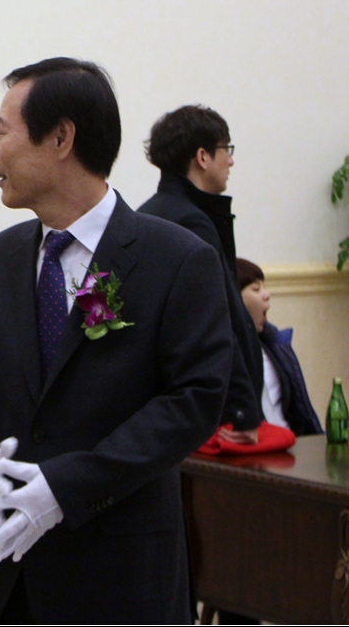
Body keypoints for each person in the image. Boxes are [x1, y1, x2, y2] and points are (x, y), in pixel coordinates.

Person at [0, 58, 231, 623]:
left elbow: (192, 401)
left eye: (2, 131)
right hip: (10, 578)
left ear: (61, 138)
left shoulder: (176, 259)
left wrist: (64, 487)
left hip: (121, 576)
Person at [138, 104, 264, 444]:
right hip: (203, 413)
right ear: (203, 157)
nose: (231, 161)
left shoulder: (148, 214)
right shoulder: (192, 222)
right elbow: (219, 318)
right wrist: (242, 410)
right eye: (226, 149)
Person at [237, 258, 324, 435]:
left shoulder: (275, 343)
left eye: (264, 287)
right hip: (255, 444)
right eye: (256, 289)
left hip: (290, 440)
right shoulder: (222, 353)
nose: (266, 294)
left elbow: (301, 410)